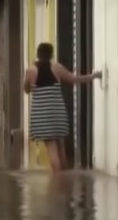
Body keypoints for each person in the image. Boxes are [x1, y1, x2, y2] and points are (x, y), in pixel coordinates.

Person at [23, 42, 100, 172]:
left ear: (38, 54)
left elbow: (26, 90)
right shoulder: (56, 68)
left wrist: (31, 84)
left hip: (41, 116)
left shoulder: (31, 70)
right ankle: (65, 181)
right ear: (51, 54)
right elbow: (74, 79)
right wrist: (93, 76)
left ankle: (58, 182)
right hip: (57, 113)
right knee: (60, 146)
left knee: (51, 148)